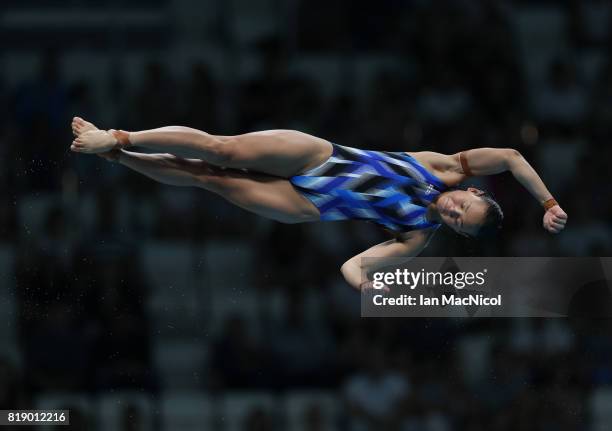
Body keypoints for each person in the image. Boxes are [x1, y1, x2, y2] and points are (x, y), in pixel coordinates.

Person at [70, 117, 568, 290]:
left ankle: (116, 154)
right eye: (465, 206)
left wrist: (369, 288)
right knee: (222, 148)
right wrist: (545, 201)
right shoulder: (446, 168)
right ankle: (119, 135)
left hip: (307, 202)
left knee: (210, 179)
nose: (454, 212)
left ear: (456, 234)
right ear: (473, 189)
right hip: (319, 156)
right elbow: (509, 155)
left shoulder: (417, 236)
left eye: (459, 224)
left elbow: (356, 266)